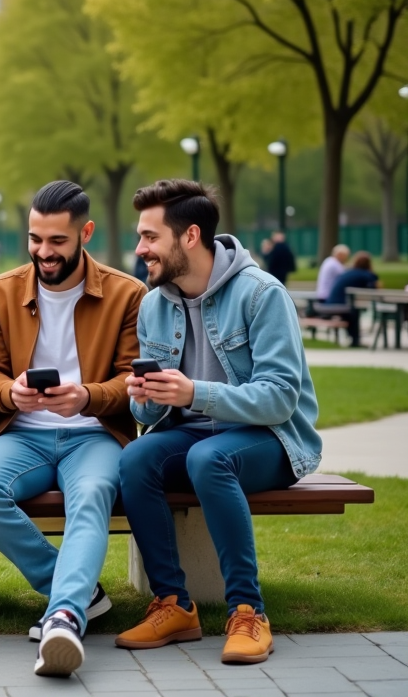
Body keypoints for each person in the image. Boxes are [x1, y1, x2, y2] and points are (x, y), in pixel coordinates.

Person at [117, 179, 320, 665]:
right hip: (192, 434)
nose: (140, 248)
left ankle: (248, 611)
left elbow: (279, 399)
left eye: (150, 237)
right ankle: (174, 604)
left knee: (210, 459)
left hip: (270, 438)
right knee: (135, 458)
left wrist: (195, 392)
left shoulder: (261, 294)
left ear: (189, 236)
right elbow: (150, 417)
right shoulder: (153, 303)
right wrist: (143, 398)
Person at [0, 181, 146, 677]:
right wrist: (9, 393)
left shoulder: (128, 294)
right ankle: (79, 591)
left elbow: (134, 378)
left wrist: (87, 396)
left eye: (57, 241)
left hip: (96, 434)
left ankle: (63, 618)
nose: (44, 252)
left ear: (84, 233)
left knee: (91, 495)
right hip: (21, 433)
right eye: (35, 239)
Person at [326, 251, 380, 347]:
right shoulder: (366, 275)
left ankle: (354, 339)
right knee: (353, 312)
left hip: (331, 302)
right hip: (341, 304)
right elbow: (375, 288)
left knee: (353, 311)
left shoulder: (348, 272)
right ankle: (355, 340)